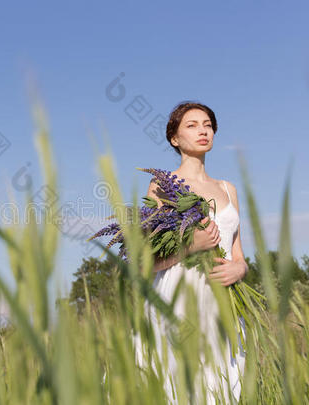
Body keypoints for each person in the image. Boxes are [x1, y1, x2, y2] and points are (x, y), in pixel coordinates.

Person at [133, 102, 248, 404]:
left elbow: (239, 255)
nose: (203, 130)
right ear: (174, 138)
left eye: (208, 124)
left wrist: (239, 269)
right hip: (179, 297)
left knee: (223, 387)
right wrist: (191, 246)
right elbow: (147, 262)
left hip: (224, 301)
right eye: (192, 125)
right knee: (180, 388)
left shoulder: (228, 188)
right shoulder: (161, 185)